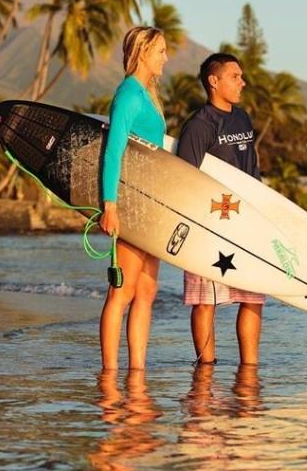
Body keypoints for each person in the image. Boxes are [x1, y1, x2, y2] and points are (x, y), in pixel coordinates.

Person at [176, 53, 266, 365]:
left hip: (247, 223)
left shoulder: (243, 118)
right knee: (205, 301)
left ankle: (249, 370)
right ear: (214, 81)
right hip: (210, 226)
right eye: (235, 76)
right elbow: (185, 178)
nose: (243, 82)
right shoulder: (199, 125)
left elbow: (252, 170)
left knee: (252, 298)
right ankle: (205, 369)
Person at [98, 25, 168, 371]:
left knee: (146, 293)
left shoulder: (146, 95)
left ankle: (137, 372)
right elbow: (113, 151)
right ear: (143, 53)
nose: (166, 58)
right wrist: (110, 206)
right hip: (131, 203)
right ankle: (110, 375)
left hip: (149, 204)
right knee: (121, 293)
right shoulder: (128, 94)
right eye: (161, 51)